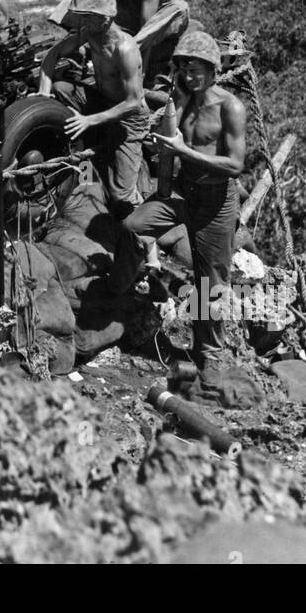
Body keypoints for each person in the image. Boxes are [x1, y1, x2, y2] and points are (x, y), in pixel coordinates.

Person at [121, 32, 247, 367]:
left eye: (197, 71)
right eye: (185, 70)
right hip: (182, 192)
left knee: (212, 283)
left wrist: (183, 151)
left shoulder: (230, 107)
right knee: (135, 225)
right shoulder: (182, 100)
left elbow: (235, 165)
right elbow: (170, 139)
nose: (190, 77)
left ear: (213, 70)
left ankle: (210, 354)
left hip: (216, 201)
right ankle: (139, 290)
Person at [38, 0, 150, 292]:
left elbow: (133, 102)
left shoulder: (126, 49)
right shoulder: (89, 34)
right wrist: (41, 102)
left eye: (88, 17)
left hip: (129, 120)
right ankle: (83, 172)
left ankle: (147, 249)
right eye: (81, 17)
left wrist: (89, 120)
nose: (81, 23)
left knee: (122, 196)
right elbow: (51, 59)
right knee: (62, 90)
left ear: (106, 18)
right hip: (100, 102)